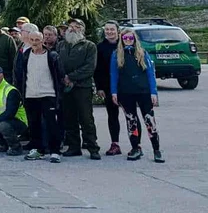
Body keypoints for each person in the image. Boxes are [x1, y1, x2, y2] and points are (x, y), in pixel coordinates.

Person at [110, 28, 163, 162]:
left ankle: (156, 150)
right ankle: (135, 147)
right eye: (125, 38)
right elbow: (114, 74)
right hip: (126, 92)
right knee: (131, 120)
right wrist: (114, 92)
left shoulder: (142, 53)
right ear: (121, 39)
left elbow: (150, 74)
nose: (128, 40)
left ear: (134, 39)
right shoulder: (116, 55)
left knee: (149, 120)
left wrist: (153, 92)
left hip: (143, 91)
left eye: (130, 38)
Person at [12, 24, 63, 162]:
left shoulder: (52, 56)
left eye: (37, 40)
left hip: (48, 94)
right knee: (34, 124)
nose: (34, 43)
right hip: (30, 95)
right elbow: (21, 75)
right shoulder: (25, 55)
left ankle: (55, 151)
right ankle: (37, 150)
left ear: (42, 41)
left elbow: (59, 76)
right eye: (32, 40)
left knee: (51, 124)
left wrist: (58, 95)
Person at [57, 18, 100, 159]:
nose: (72, 28)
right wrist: (63, 77)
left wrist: (71, 77)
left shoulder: (89, 46)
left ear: (82, 29)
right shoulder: (61, 45)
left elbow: (89, 67)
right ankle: (74, 147)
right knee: (69, 118)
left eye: (76, 26)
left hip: (82, 87)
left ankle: (93, 147)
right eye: (70, 26)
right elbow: (57, 64)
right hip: (66, 87)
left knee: (86, 118)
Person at [95, 21, 123, 155]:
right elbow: (97, 69)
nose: (109, 32)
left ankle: (136, 145)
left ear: (117, 31)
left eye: (112, 29)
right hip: (108, 87)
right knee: (112, 116)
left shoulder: (124, 45)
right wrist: (99, 87)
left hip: (125, 86)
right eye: (107, 29)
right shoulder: (100, 47)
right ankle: (115, 144)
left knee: (131, 116)